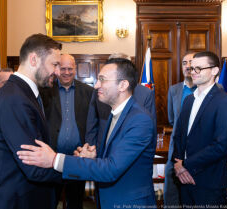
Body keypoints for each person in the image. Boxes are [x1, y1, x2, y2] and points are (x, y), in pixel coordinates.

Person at [17, 58, 157, 209]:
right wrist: (93, 157)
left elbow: (111, 169)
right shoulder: (114, 114)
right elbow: (114, 156)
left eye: (102, 80)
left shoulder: (140, 120)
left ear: (123, 85)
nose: (96, 86)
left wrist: (55, 160)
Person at [0, 34, 62, 209]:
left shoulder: (23, 94)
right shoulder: (16, 99)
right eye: (55, 64)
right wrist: (77, 167)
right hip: (9, 201)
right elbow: (34, 167)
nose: (57, 72)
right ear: (34, 59)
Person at [172, 51, 227, 208]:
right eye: (191, 68)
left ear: (214, 71)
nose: (192, 72)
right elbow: (179, 135)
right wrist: (177, 163)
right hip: (184, 181)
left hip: (209, 183)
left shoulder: (225, 102)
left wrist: (185, 165)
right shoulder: (188, 100)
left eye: (198, 69)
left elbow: (221, 146)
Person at [39, 54, 93, 209]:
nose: (66, 72)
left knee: (75, 203)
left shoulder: (88, 92)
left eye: (70, 68)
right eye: (63, 68)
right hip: (52, 157)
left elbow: (92, 123)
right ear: (57, 69)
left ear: (75, 69)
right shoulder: (45, 91)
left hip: (77, 158)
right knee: (49, 201)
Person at [85, 53, 156, 150]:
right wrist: (90, 149)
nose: (97, 85)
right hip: (101, 148)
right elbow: (92, 124)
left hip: (130, 151)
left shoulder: (145, 94)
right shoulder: (98, 92)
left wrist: (60, 160)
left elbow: (150, 129)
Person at [164, 52, 196, 206]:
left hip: (198, 150)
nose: (188, 66)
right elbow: (172, 119)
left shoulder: (211, 89)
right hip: (176, 149)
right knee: (171, 194)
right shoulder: (174, 90)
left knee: (193, 192)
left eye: (191, 62)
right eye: (184, 63)